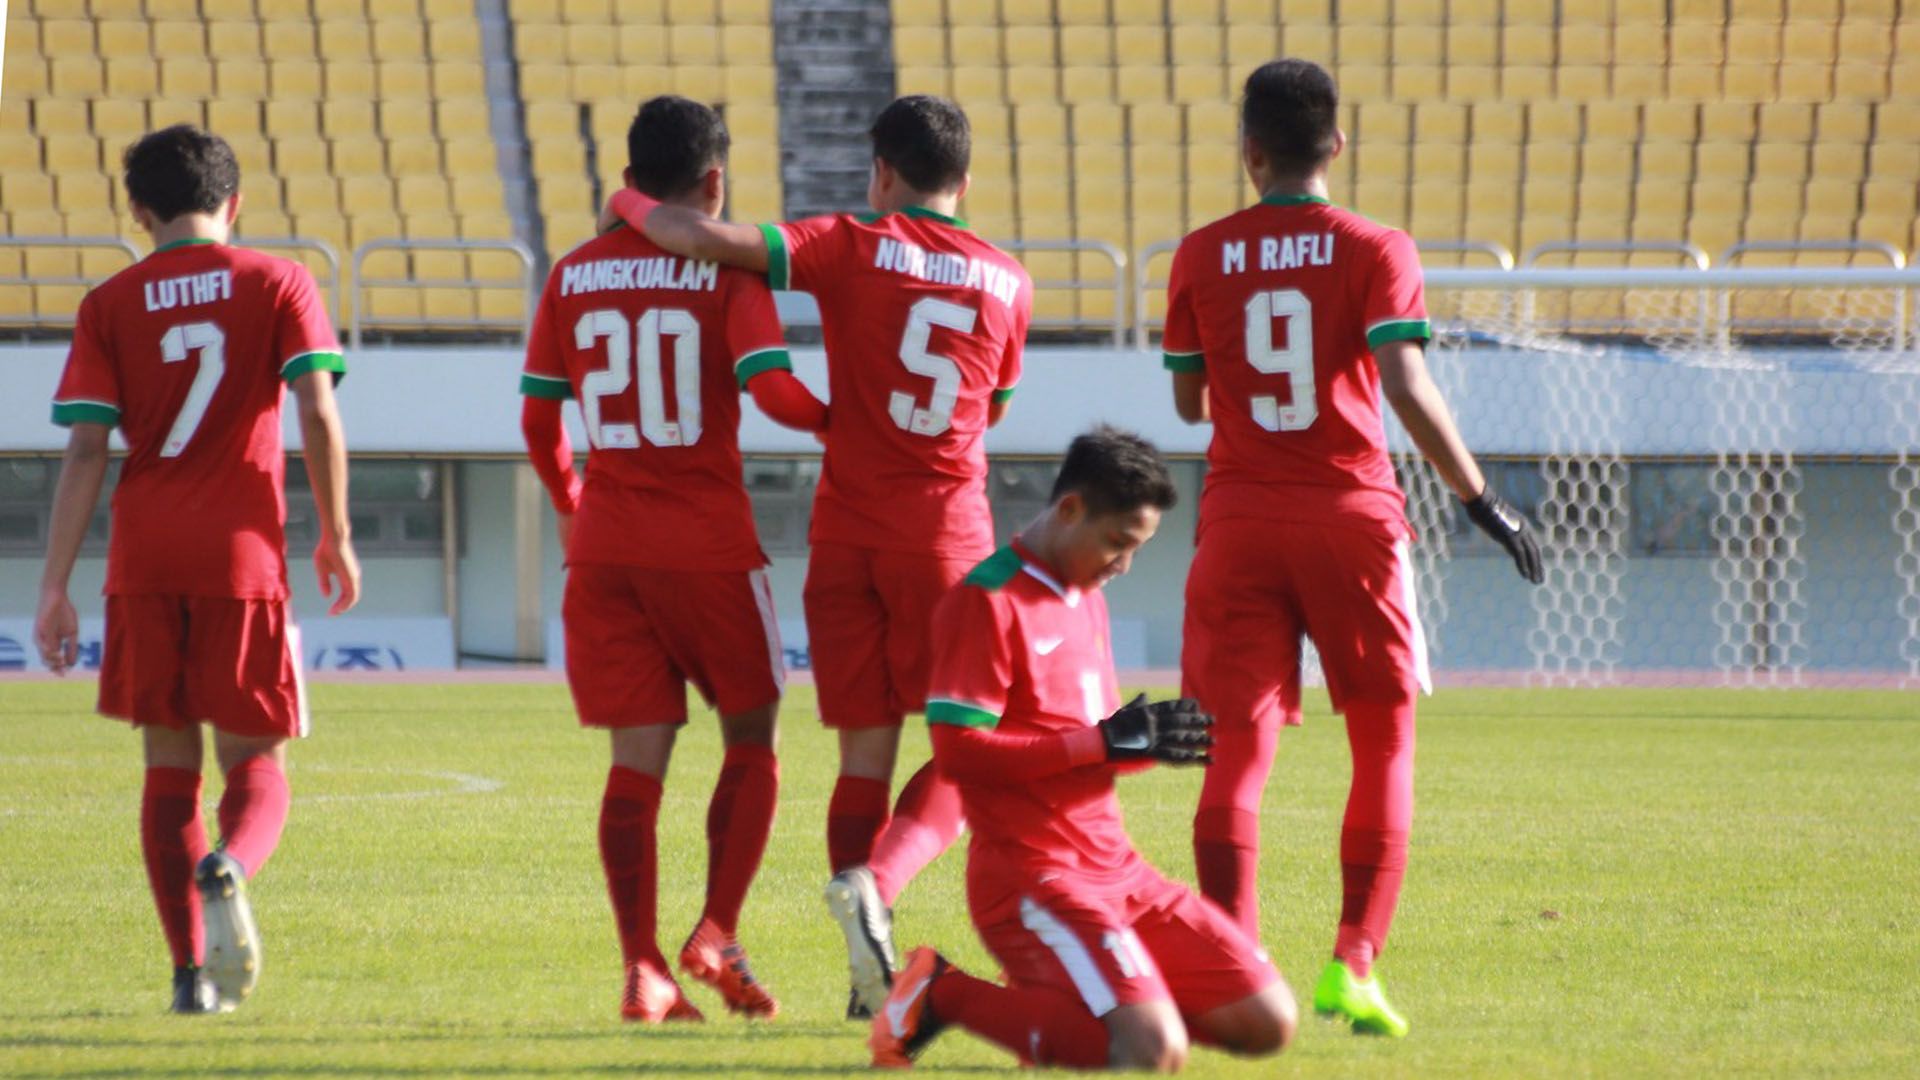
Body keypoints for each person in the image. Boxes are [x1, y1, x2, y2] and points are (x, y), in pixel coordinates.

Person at [601, 95, 1033, 1017]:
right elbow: (991, 407)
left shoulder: (845, 242)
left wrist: (624, 203)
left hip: (844, 535)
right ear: (965, 179)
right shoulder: (1008, 279)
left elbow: (698, 236)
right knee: (973, 756)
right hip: (946, 534)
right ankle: (874, 892)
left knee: (861, 760)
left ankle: (860, 971)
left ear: (881, 173)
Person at [1162, 59, 1545, 1037]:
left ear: (1249, 153)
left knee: (1234, 755)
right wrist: (1481, 499)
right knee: (1383, 743)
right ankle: (1353, 965)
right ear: (1336, 144)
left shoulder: (1200, 254)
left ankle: (1237, 963)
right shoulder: (1377, 246)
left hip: (1240, 522)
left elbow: (1187, 399)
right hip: (1353, 517)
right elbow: (1407, 385)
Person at [34, 124, 359, 1014]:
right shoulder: (280, 279)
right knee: (258, 758)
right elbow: (319, 414)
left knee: (167, 770)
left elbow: (87, 449)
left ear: (139, 212)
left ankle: (190, 976)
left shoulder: (110, 302)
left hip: (143, 557)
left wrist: (55, 582)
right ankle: (233, 864)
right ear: (236, 201)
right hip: (241, 555)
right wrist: (335, 531)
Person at [520, 95, 827, 1024]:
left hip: (609, 549)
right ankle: (716, 929)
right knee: (755, 737)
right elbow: (771, 393)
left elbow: (539, 422)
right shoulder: (727, 273)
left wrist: (577, 506)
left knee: (636, 766)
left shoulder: (572, 274)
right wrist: (843, 422)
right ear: (714, 182)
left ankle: (643, 966)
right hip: (706, 547)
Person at [868, 427, 1295, 1072]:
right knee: (1151, 1052)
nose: (1122, 566)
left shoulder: (1084, 597)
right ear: (1070, 510)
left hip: (1119, 870)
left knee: (1267, 1022)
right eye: (1117, 543)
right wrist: (1100, 740)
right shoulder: (986, 601)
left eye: (1136, 549)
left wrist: (1145, 742)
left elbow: (1084, 745)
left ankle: (1072, 1008)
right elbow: (959, 755)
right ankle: (943, 991)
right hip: (1033, 877)